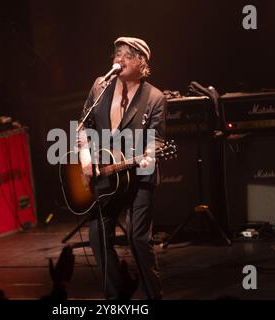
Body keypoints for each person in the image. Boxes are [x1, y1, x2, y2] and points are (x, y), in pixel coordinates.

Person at [77, 36, 165, 299]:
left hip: (138, 177)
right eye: (117, 54)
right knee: (97, 236)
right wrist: (84, 156)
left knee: (138, 240)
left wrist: (149, 154)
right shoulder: (100, 85)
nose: (119, 59)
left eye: (127, 55)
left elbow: (158, 140)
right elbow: (84, 123)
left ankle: (154, 297)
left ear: (141, 63)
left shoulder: (154, 98)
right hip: (108, 174)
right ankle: (116, 297)